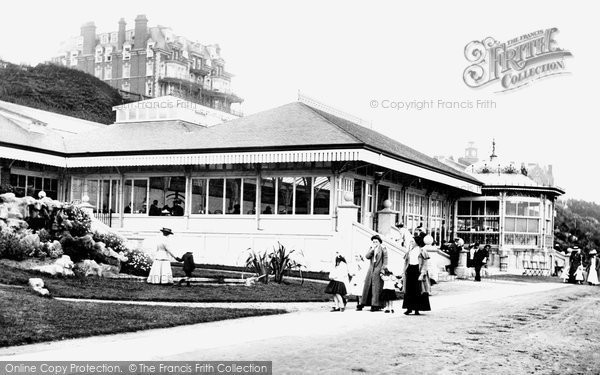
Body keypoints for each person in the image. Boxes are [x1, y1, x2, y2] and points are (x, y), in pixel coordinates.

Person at [402, 233, 431, 315]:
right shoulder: (409, 251)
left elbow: (425, 263)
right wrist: (403, 271)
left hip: (417, 270)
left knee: (418, 290)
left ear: (417, 242)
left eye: (412, 241)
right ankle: (409, 308)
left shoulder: (422, 251)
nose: (411, 243)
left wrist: (422, 274)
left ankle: (417, 308)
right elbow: (406, 262)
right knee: (409, 289)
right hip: (410, 270)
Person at [357, 235, 388, 311]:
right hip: (371, 269)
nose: (375, 243)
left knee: (376, 288)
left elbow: (385, 260)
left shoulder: (383, 248)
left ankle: (376, 304)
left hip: (378, 269)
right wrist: (372, 250)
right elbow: (367, 256)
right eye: (373, 242)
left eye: (376, 242)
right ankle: (364, 303)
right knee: (368, 286)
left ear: (379, 242)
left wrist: (382, 270)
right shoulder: (372, 248)